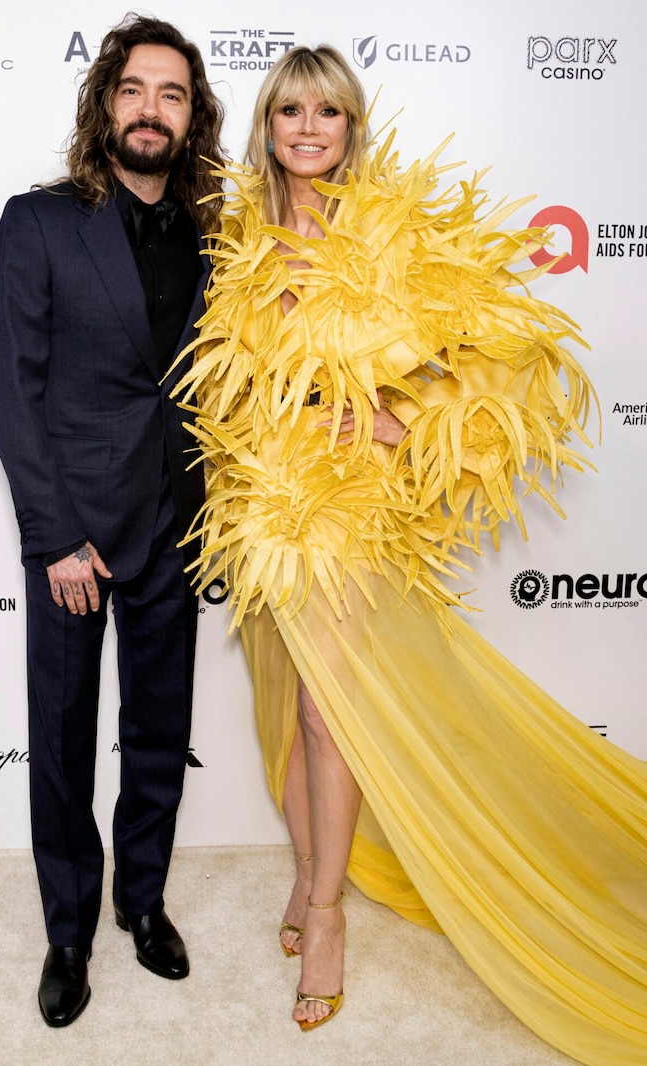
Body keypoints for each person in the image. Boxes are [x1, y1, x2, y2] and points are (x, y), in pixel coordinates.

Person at [174, 45, 647, 1064]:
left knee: (326, 707)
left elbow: (511, 367)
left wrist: (392, 426)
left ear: (351, 127)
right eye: (289, 109)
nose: (307, 128)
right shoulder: (235, 230)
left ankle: (328, 913)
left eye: (327, 113)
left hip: (350, 507)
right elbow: (218, 376)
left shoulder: (395, 233)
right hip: (260, 501)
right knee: (291, 702)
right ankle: (308, 868)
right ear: (266, 125)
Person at [0, 14, 225, 1028]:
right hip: (75, 530)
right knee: (64, 737)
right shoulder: (39, 222)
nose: (150, 110)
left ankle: (143, 900)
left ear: (192, 115)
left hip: (178, 517)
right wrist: (51, 536)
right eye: (134, 90)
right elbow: (11, 387)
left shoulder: (215, 230)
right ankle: (70, 928)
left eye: (171, 94)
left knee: (159, 732)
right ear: (104, 103)